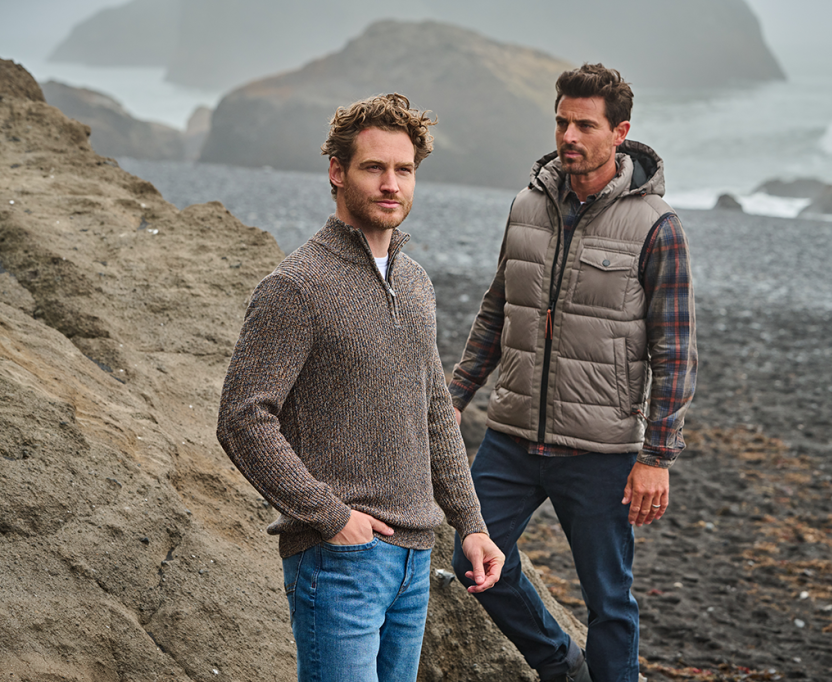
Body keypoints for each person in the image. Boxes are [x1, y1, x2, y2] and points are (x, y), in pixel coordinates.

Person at [216, 93, 504, 682]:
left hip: (414, 561)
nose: (391, 184)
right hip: (339, 560)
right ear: (337, 172)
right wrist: (330, 515)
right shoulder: (296, 287)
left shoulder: (415, 282)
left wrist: (471, 524)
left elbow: (433, 412)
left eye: (404, 170)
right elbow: (243, 419)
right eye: (374, 167)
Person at [450, 64, 697, 682]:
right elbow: (498, 310)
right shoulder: (526, 205)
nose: (569, 136)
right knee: (471, 558)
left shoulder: (656, 225)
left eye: (585, 125)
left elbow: (675, 349)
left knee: (609, 601)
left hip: (600, 449)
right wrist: (455, 395)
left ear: (620, 133)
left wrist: (657, 457)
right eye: (562, 122)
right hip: (512, 436)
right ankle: (560, 664)